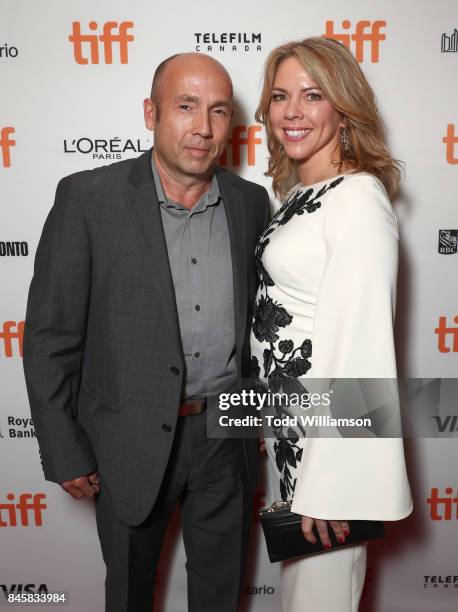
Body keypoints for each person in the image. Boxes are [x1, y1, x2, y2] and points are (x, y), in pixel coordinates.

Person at [22, 52, 270, 612]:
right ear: (150, 112)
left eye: (218, 111)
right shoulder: (88, 199)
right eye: (185, 107)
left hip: (225, 437)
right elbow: (49, 337)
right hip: (126, 442)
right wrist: (64, 449)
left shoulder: (250, 202)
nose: (203, 128)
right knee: (130, 592)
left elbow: (257, 327)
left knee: (219, 591)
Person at [250, 37, 413, 612]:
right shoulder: (301, 193)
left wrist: (333, 484)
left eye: (312, 95)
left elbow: (360, 347)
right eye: (279, 96)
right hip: (294, 439)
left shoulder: (357, 198)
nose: (291, 111)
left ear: (343, 110)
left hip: (327, 457)